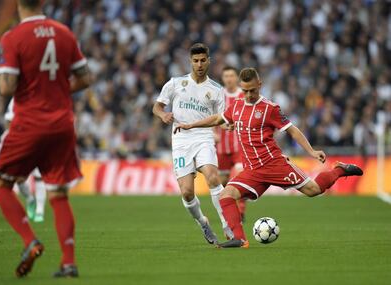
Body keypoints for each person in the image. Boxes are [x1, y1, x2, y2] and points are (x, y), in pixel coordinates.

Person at [174, 67, 363, 248]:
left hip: (274, 164)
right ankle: (239, 240)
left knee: (314, 190)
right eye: (245, 90)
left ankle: (339, 169)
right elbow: (217, 119)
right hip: (253, 171)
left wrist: (311, 151)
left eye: (252, 90)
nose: (248, 95)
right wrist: (192, 125)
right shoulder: (237, 106)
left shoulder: (269, 108)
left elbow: (292, 130)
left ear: (260, 84)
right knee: (226, 195)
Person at [0, 0, 90, 277]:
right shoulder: (64, 32)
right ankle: (68, 262)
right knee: (58, 193)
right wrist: (57, 90)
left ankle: (29, 240)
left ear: (18, 5)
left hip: (29, 123)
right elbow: (86, 78)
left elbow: (6, 87)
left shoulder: (12, 37)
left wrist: (2, 79)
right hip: (62, 124)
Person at [153, 43, 231, 244]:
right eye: (195, 61)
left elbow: (219, 118)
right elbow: (157, 106)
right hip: (181, 140)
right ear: (190, 62)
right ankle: (202, 222)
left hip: (204, 137)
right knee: (187, 192)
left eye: (203, 60)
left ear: (209, 61)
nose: (199, 64)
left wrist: (227, 127)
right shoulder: (175, 83)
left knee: (213, 177)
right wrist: (162, 115)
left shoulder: (216, 89)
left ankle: (227, 224)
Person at [4, 98, 47, 223]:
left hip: (40, 142)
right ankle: (30, 199)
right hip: (21, 143)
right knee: (18, 178)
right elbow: (8, 120)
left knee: (39, 176)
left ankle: (40, 210)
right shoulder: (16, 99)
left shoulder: (43, 97)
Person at [216, 66, 246, 222]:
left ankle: (241, 211)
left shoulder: (243, 95)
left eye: (231, 75)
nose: (228, 78)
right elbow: (213, 117)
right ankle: (228, 211)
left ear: (237, 78)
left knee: (240, 177)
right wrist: (214, 133)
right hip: (221, 147)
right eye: (226, 75)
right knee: (223, 181)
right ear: (223, 78)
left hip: (239, 146)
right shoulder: (218, 95)